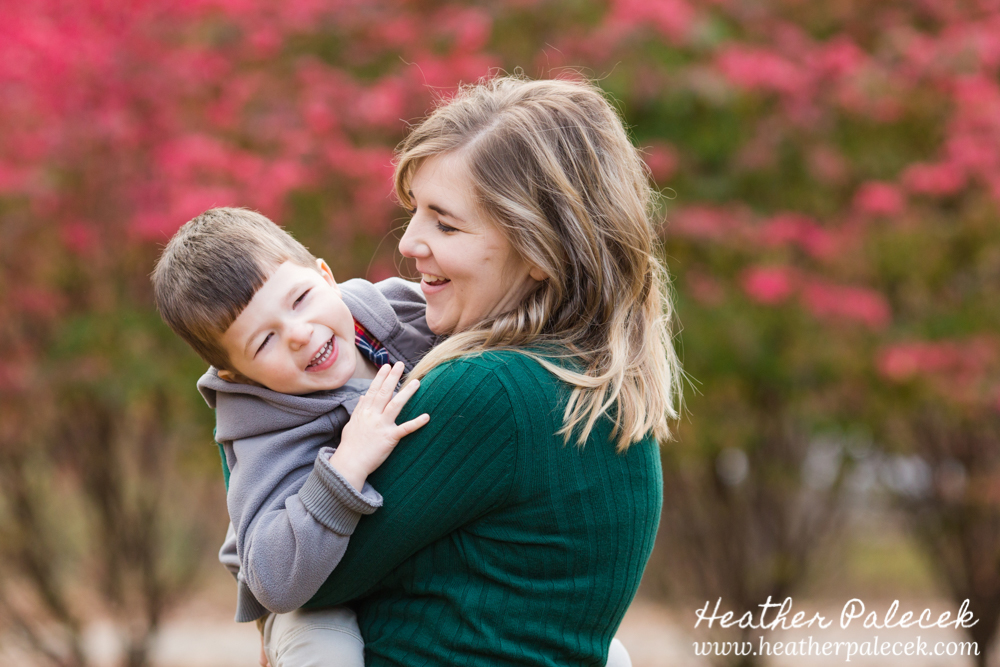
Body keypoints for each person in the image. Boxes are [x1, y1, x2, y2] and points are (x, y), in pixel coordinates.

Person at [266, 75, 682, 666]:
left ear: (539, 251)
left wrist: (254, 403)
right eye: (414, 213)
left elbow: (300, 576)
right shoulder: (594, 386)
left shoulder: (493, 392)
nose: (409, 242)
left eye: (446, 223)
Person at [151, 207, 436, 667]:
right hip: (302, 593)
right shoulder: (262, 426)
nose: (299, 335)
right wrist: (348, 464)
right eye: (264, 342)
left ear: (324, 275)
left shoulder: (399, 313)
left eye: (301, 299)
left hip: (398, 555)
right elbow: (274, 581)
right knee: (326, 647)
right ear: (236, 372)